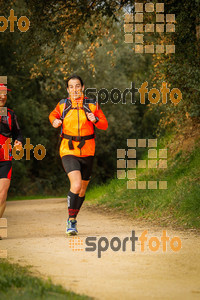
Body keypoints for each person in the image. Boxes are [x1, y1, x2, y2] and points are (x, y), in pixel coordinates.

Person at [49, 75, 108, 235]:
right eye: (71, 86)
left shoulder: (92, 104)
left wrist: (94, 119)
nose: (74, 89)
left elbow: (104, 124)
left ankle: (73, 218)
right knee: (75, 185)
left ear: (82, 87)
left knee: (82, 190)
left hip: (88, 151)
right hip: (68, 150)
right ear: (68, 89)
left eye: (77, 86)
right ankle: (71, 221)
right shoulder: (63, 104)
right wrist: (54, 121)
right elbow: (53, 115)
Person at [0, 83, 23, 238]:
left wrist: (19, 142)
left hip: (5, 158)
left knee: (2, 194)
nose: (3, 96)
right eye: (0, 93)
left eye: (5, 94)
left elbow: (18, 133)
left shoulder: (10, 114)